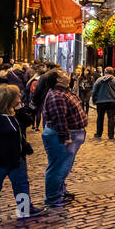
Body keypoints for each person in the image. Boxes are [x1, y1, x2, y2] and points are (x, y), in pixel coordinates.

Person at [0, 85, 44, 224]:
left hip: (17, 158)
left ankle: (25, 209)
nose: (20, 98)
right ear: (7, 98)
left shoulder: (12, 113)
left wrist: (20, 109)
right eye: (17, 96)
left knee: (21, 185)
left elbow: (27, 122)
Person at [40, 71, 87, 208]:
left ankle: (60, 192)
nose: (66, 74)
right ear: (57, 80)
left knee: (63, 167)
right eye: (62, 74)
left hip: (70, 134)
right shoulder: (56, 95)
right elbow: (59, 119)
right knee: (58, 168)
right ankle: (53, 198)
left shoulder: (64, 91)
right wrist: (65, 138)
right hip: (62, 136)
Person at [90, 67, 115, 140]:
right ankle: (111, 135)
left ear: (105, 72)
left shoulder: (99, 80)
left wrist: (94, 100)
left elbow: (94, 91)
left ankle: (99, 133)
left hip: (100, 101)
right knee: (111, 118)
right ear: (112, 72)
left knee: (100, 117)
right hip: (112, 102)